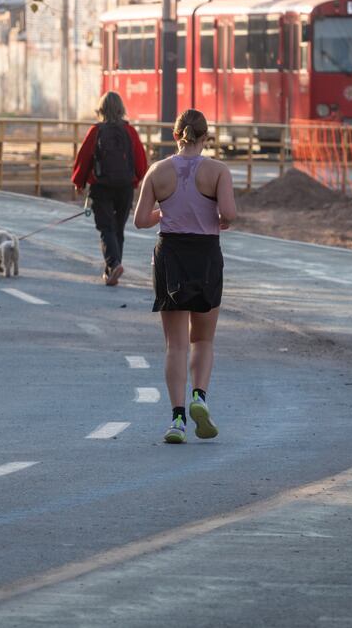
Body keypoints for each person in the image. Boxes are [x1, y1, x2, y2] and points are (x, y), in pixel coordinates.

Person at [133, 108, 235, 444]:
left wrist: (166, 210)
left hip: (171, 256)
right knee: (202, 340)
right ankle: (199, 398)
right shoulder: (218, 170)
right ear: (205, 137)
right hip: (205, 255)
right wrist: (218, 217)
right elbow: (229, 214)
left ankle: (177, 420)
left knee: (174, 345)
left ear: (176, 136)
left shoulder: (158, 171)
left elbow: (140, 220)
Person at [71, 91, 148, 286]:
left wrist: (79, 183)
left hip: (101, 186)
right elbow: (140, 160)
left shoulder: (96, 131)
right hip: (125, 187)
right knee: (118, 229)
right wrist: (138, 180)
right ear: (121, 109)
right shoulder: (130, 132)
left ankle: (113, 265)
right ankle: (113, 267)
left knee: (106, 228)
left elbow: (84, 158)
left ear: (101, 109)